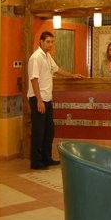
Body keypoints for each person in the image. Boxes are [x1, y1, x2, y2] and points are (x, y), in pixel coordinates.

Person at [27, 31, 81, 170]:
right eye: (48, 42)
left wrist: (72, 75)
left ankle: (46, 158)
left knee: (49, 131)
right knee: (39, 132)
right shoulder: (36, 58)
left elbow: (57, 69)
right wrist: (39, 100)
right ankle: (36, 161)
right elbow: (34, 80)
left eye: (52, 42)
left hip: (47, 99)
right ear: (41, 42)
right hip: (38, 99)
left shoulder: (47, 56)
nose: (50, 44)